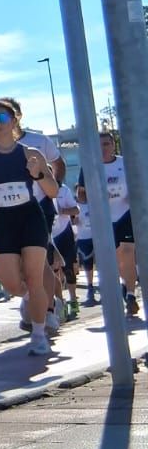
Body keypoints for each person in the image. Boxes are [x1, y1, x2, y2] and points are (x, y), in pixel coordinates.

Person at [0, 98, 59, 356]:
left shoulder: (32, 153)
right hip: (2, 220)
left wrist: (38, 174)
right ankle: (31, 301)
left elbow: (51, 190)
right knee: (10, 283)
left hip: (30, 217)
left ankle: (39, 333)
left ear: (14, 119)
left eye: (0, 118)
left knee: (34, 277)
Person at [79, 130, 140, 318]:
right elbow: (81, 195)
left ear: (113, 145)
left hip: (125, 214)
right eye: (99, 145)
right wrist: (95, 197)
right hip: (104, 218)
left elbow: (139, 185)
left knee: (128, 252)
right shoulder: (90, 167)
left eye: (107, 144)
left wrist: (134, 196)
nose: (103, 148)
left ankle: (131, 295)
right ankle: (125, 284)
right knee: (117, 259)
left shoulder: (124, 163)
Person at [51, 182, 81, 319]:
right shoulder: (35, 190)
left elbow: (76, 209)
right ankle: (60, 302)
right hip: (49, 235)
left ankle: (73, 299)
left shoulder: (63, 190)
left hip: (65, 234)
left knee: (68, 269)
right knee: (54, 271)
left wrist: (62, 211)